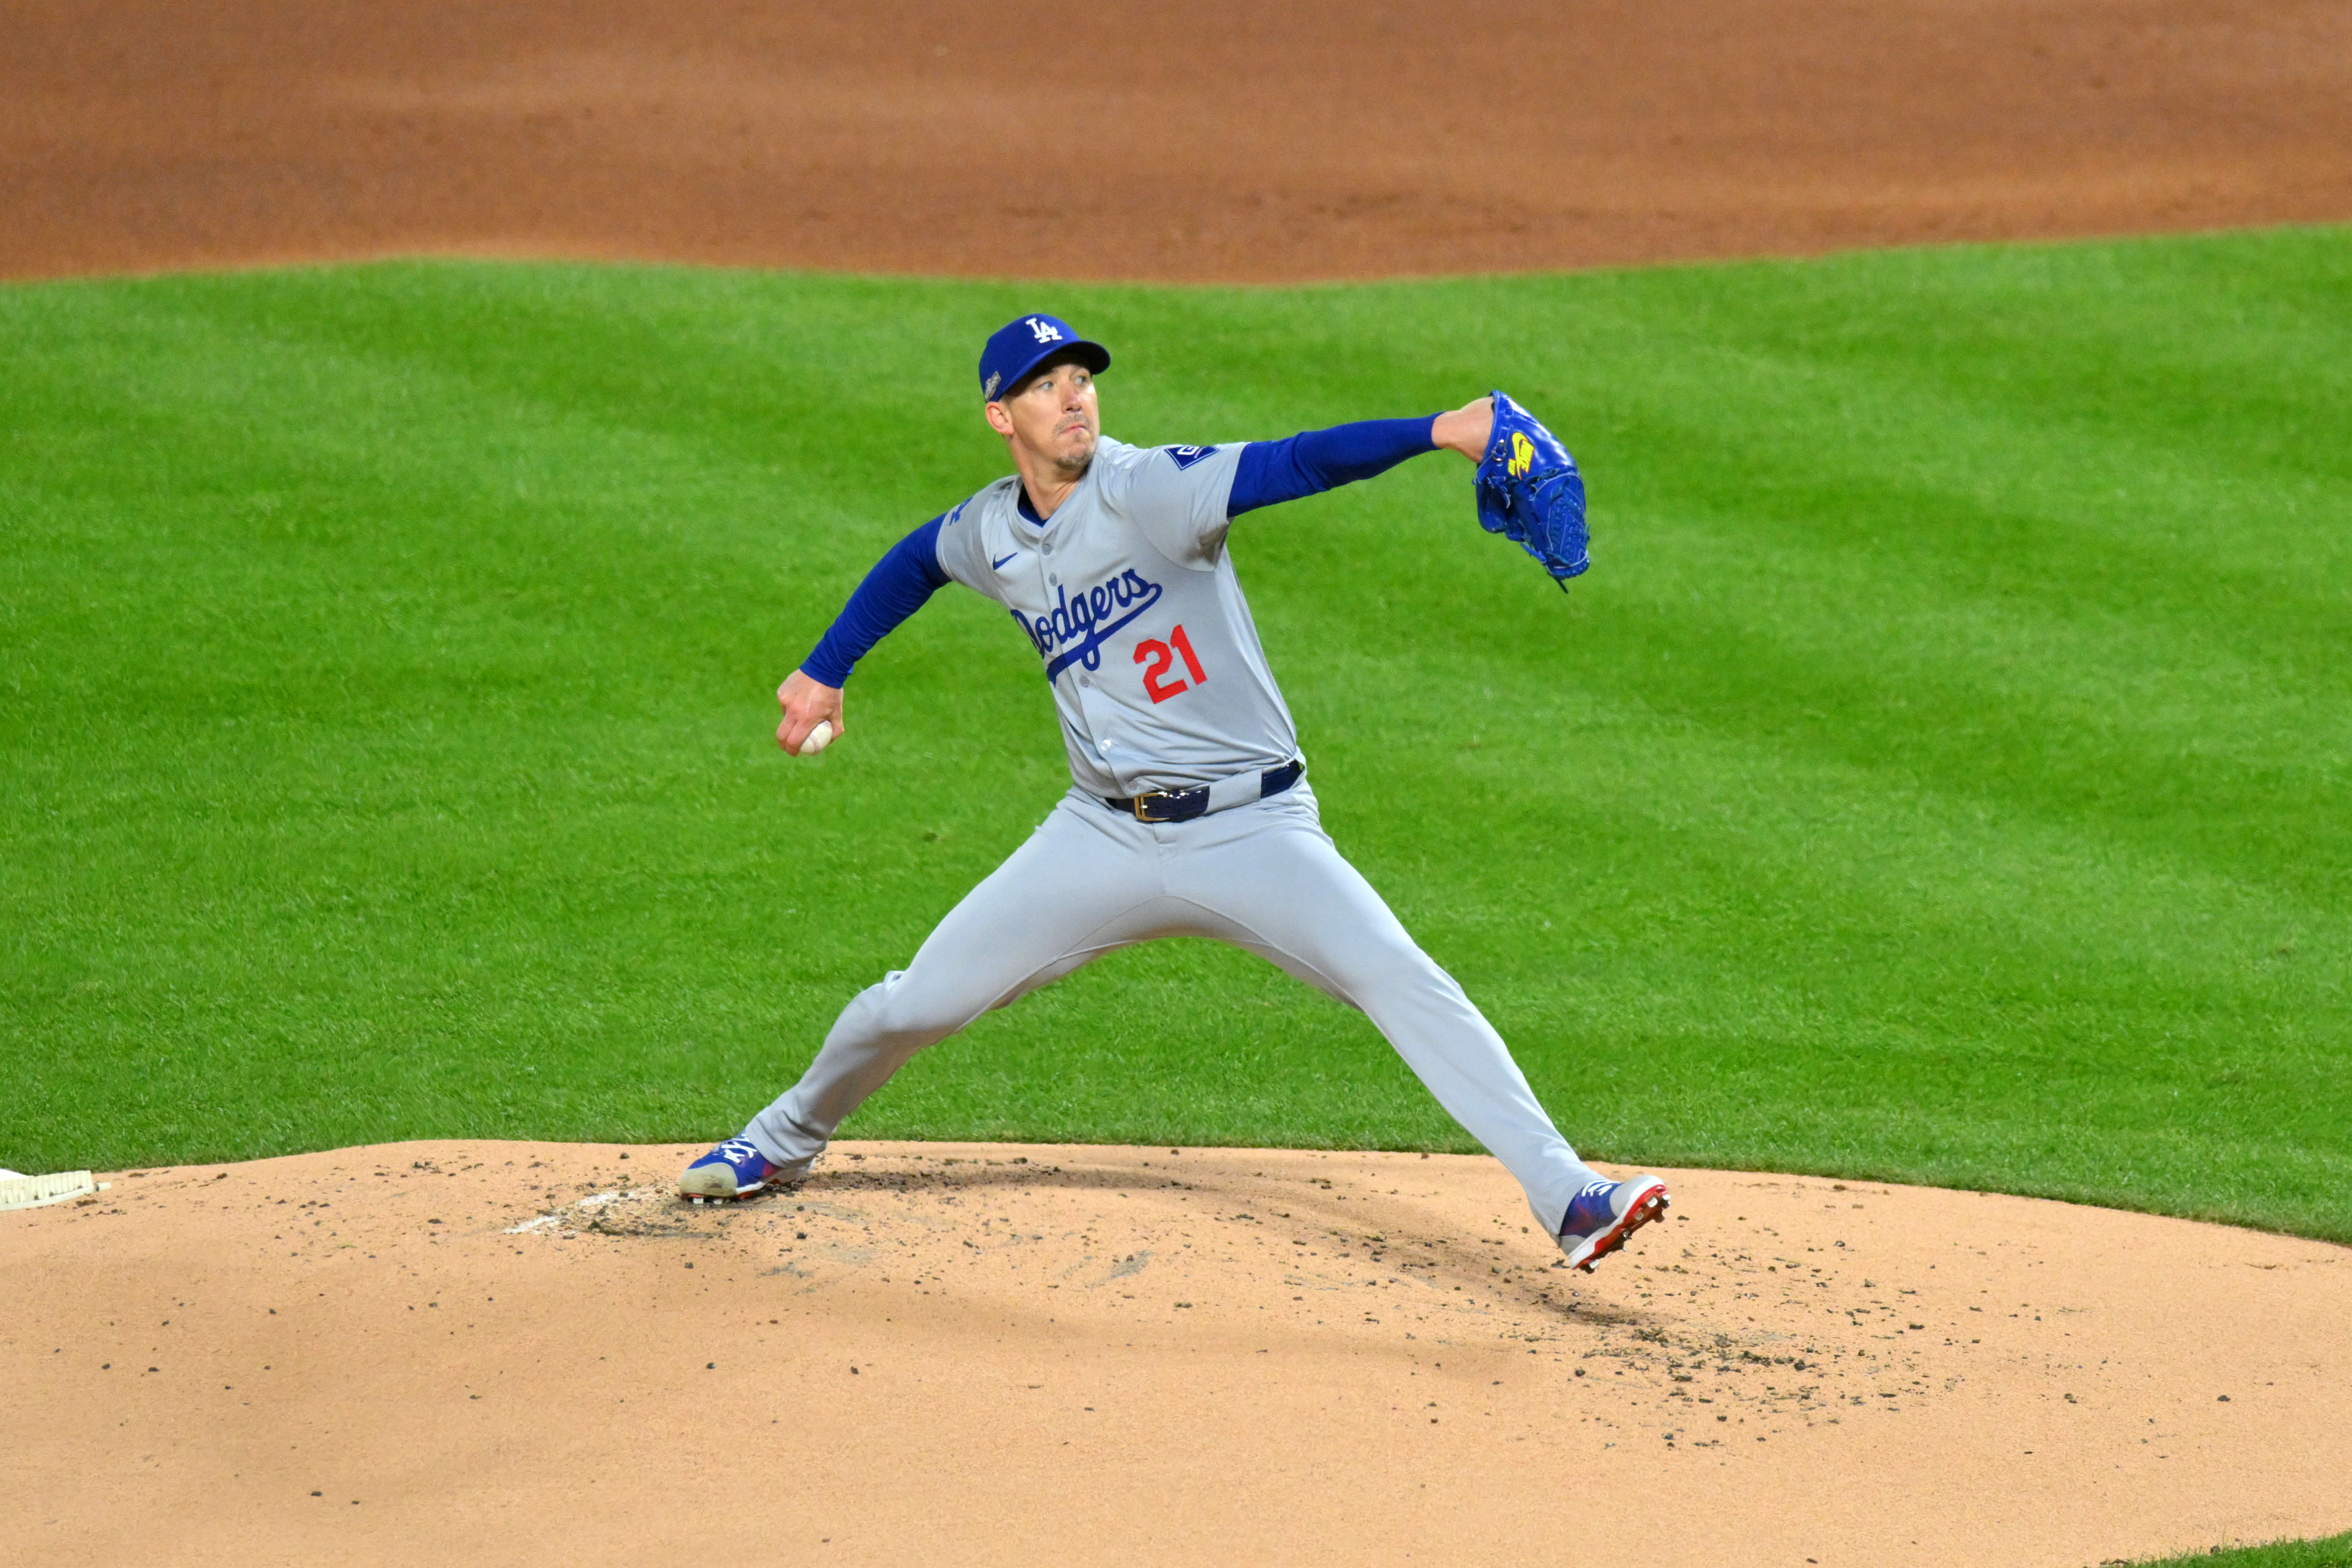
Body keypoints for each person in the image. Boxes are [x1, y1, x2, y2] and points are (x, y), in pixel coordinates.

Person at [679, 313, 1668, 1272]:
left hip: (1253, 829)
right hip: (1099, 839)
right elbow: (914, 562)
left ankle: (1569, 1193)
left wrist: (1444, 430)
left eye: (1081, 377)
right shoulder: (991, 530)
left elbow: (1297, 462)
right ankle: (779, 1138)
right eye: (1045, 385)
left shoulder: (1149, 487)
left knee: (1398, 975)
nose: (1073, 397)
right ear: (1000, 416)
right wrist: (825, 669)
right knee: (917, 1003)